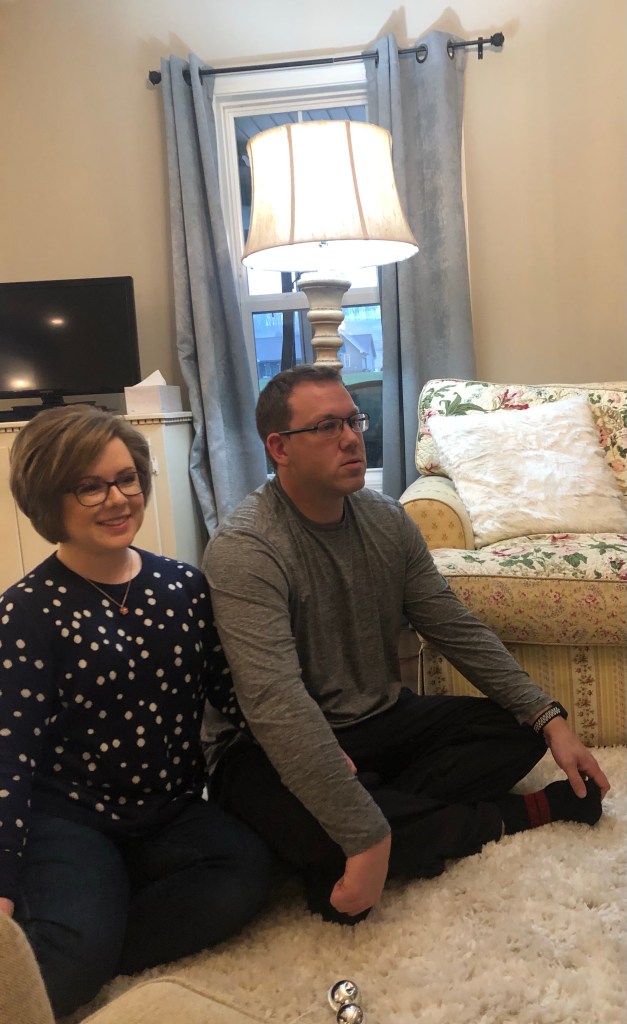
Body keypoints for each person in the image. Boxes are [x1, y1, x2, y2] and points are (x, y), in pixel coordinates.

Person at [203, 364, 610, 925]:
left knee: (515, 730)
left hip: (379, 720)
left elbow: (454, 627)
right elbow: (275, 702)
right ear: (279, 448)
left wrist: (550, 718)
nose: (352, 438)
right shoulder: (246, 548)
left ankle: (372, 820)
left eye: (354, 421)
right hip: (270, 742)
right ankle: (504, 817)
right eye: (327, 426)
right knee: (280, 807)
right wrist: (361, 827)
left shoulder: (387, 520)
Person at [0, 405, 273, 1018]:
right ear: (48, 499)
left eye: (127, 479)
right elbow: (8, 758)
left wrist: (315, 753)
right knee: (62, 968)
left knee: (248, 872)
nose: (118, 499)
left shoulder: (184, 585)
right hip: (71, 820)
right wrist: (3, 883)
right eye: (90, 486)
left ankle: (100, 921)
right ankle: (87, 928)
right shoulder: (24, 614)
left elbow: (234, 696)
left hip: (171, 809)